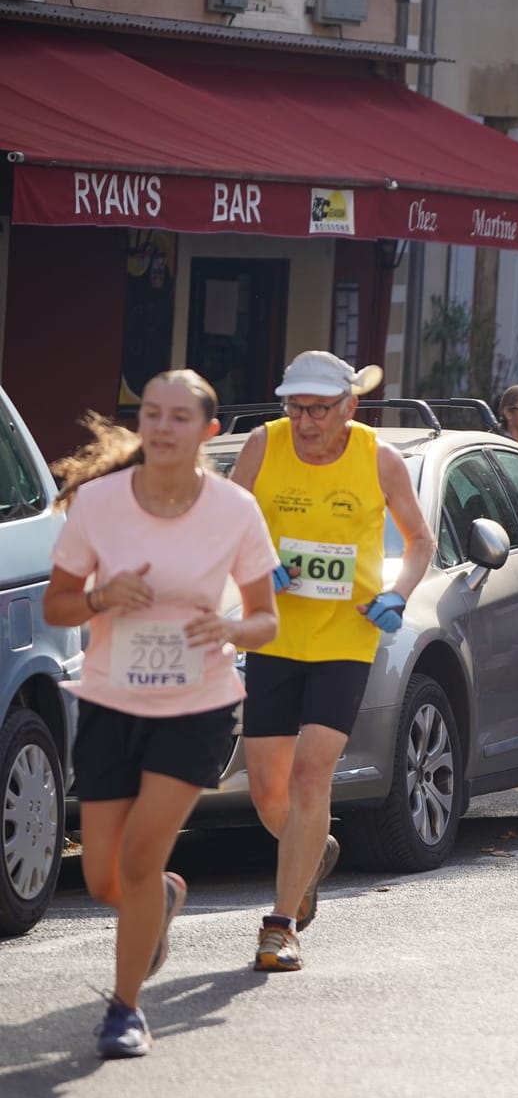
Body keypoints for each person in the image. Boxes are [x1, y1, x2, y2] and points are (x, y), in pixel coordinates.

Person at [43, 372, 281, 1056]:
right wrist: (98, 598)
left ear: (208, 431)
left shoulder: (234, 509)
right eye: (151, 413)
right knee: (103, 878)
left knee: (141, 858)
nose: (161, 426)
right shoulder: (100, 502)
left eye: (179, 416)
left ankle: (124, 1010)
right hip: (112, 702)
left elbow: (265, 617)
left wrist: (231, 631)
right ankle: (164, 899)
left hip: (196, 706)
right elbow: (59, 604)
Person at [231, 351, 435, 972]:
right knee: (268, 792)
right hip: (271, 634)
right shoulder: (262, 447)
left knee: (310, 775)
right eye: (295, 407)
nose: (305, 421)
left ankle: (280, 924)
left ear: (348, 407)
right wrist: (261, 566)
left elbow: (420, 539)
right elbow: (226, 526)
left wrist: (398, 593)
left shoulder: (378, 458)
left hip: (347, 638)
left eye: (318, 409)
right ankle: (310, 851)